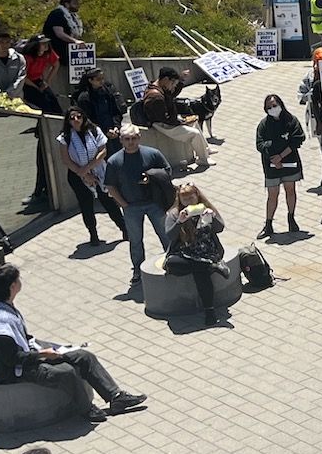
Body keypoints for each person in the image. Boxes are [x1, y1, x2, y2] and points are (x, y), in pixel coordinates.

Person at [0, 266, 145, 417]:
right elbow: (11, 358)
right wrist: (43, 354)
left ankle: (115, 397)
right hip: (15, 370)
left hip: (29, 354)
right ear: (12, 286)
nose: (21, 282)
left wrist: (47, 349)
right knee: (66, 372)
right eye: (18, 279)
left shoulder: (4, 306)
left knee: (84, 357)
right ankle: (86, 408)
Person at [102, 124, 172, 289]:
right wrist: (123, 204)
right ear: (121, 140)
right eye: (127, 139)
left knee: (165, 234)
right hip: (131, 207)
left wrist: (152, 178)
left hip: (155, 204)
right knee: (135, 241)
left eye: (134, 138)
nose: (131, 142)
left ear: (139, 138)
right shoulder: (114, 161)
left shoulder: (152, 154)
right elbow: (110, 186)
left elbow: (167, 171)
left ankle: (172, 262)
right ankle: (138, 271)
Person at [162, 180, 230, 325]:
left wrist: (212, 218)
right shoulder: (173, 214)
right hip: (185, 252)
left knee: (200, 272)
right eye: (184, 198)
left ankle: (209, 311)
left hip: (207, 250)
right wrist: (179, 222)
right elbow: (170, 236)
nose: (188, 201)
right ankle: (211, 266)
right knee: (174, 264)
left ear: (197, 196)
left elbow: (220, 228)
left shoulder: (206, 208)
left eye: (191, 197)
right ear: (179, 199)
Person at [58, 105, 124, 250]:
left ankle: (124, 229)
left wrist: (87, 169)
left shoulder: (94, 130)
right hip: (77, 175)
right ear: (68, 121)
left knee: (108, 201)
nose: (76, 120)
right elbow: (66, 160)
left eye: (78, 116)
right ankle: (93, 234)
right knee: (86, 205)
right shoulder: (65, 137)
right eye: (72, 118)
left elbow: (103, 152)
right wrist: (83, 174)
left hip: (98, 171)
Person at [255, 93, 306, 239]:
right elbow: (260, 144)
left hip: (289, 162)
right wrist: (273, 156)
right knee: (272, 195)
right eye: (269, 107)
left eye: (275, 105)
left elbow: (297, 140)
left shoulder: (291, 121)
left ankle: (291, 218)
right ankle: (269, 224)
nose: (273, 109)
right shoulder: (263, 125)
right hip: (271, 165)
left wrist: (281, 156)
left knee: (290, 190)